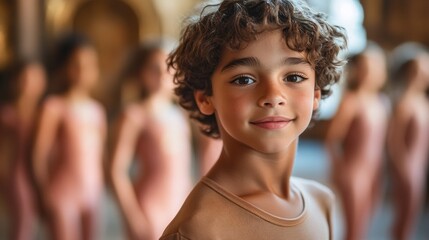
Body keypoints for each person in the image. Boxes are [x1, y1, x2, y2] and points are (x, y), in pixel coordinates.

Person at [160, 0, 347, 239]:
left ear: (315, 95)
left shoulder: (323, 203)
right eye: (244, 80)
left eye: (293, 77)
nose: (272, 97)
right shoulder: (198, 229)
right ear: (206, 98)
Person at [109, 41, 194, 240]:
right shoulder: (134, 115)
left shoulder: (181, 115)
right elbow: (116, 171)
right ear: (141, 73)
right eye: (155, 68)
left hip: (180, 207)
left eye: (169, 67)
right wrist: (133, 217)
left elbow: (184, 168)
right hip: (150, 209)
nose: (163, 74)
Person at [32, 33, 107, 240]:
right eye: (76, 64)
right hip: (62, 194)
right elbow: (38, 155)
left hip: (92, 193)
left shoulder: (97, 110)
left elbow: (100, 156)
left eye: (90, 64)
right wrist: (42, 194)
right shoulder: (53, 107)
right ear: (63, 68)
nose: (84, 71)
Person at [325, 42, 389, 240]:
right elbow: (332, 140)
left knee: (365, 225)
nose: (370, 73)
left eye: (375, 68)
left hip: (375, 171)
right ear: (357, 70)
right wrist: (339, 170)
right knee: (353, 229)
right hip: (354, 173)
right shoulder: (351, 101)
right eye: (366, 68)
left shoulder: (382, 101)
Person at [386, 42, 429, 240]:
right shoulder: (404, 102)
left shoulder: (423, 101)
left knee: (412, 215)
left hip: (420, 167)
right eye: (421, 69)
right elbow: (394, 141)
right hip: (408, 168)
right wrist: (402, 168)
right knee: (404, 215)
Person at [0, 60, 46, 240]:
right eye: (27, 78)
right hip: (17, 175)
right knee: (23, 221)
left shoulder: (44, 111)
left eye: (37, 78)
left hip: (38, 174)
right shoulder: (7, 115)